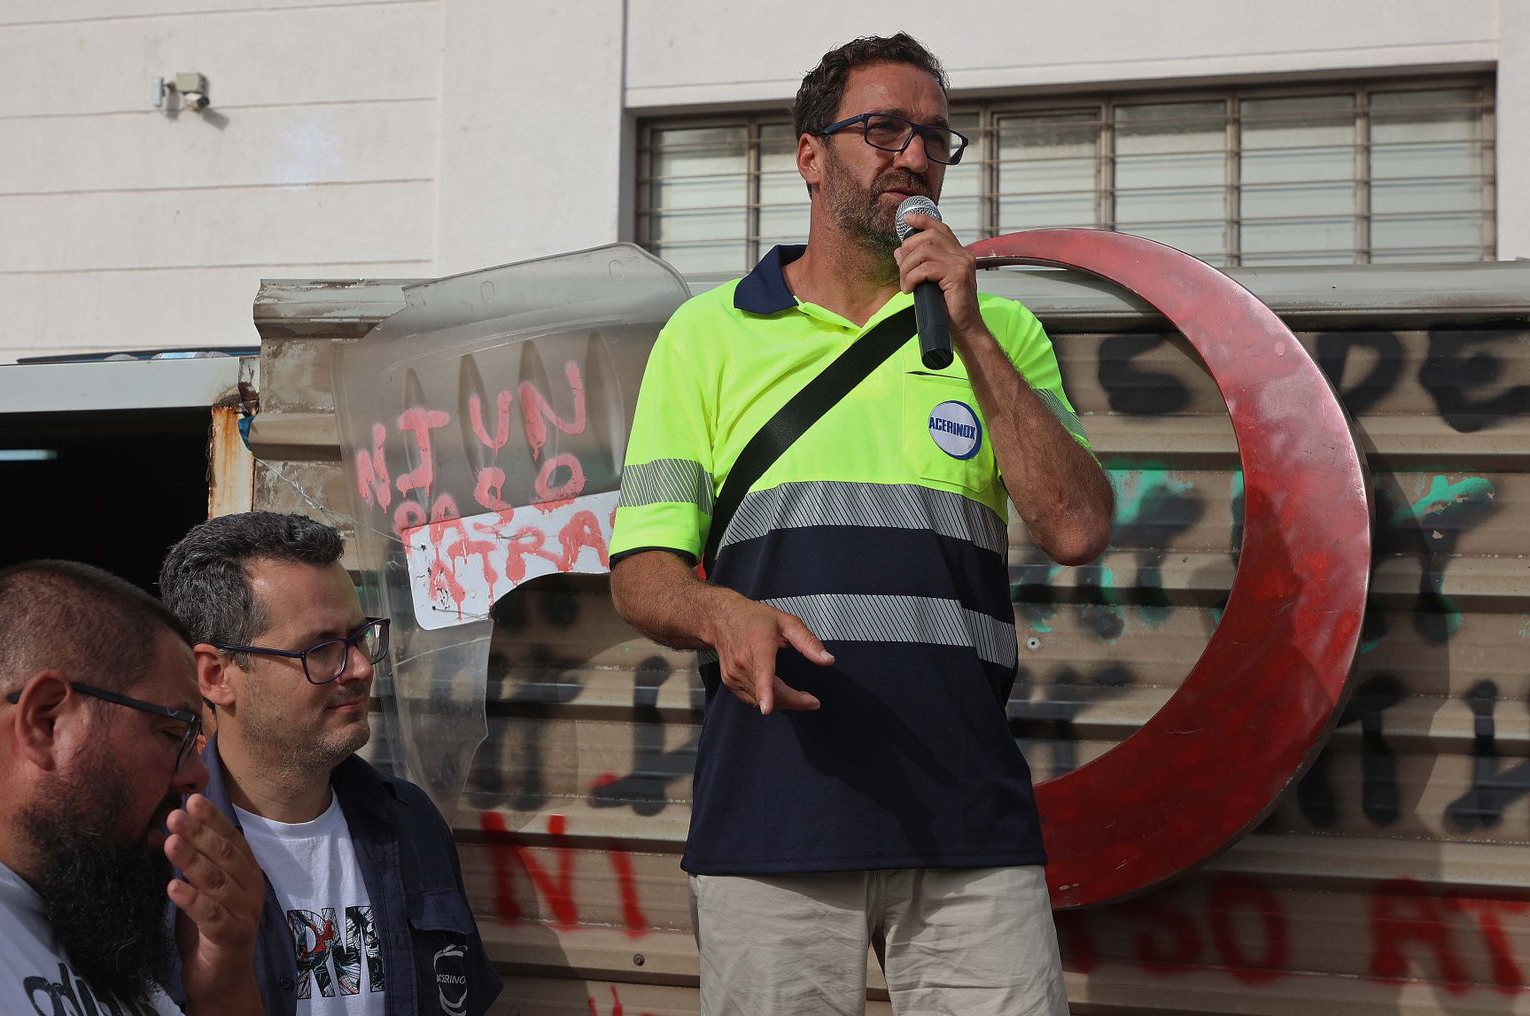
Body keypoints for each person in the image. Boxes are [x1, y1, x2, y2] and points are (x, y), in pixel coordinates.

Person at [608, 32, 1114, 1016]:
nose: (913, 155)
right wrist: (720, 613)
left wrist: (968, 328)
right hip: (774, 820)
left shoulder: (999, 331)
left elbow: (1077, 526)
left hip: (967, 823)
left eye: (933, 136)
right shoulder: (706, 336)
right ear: (809, 154)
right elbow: (643, 571)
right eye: (882, 128)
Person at [158, 511, 501, 1016]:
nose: (361, 668)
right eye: (320, 650)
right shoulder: (154, 856)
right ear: (214, 675)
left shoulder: (409, 821)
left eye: (359, 638)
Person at [0, 560, 266, 1016]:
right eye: (173, 735)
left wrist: (224, 989)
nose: (197, 774)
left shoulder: (75, 911)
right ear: (46, 721)